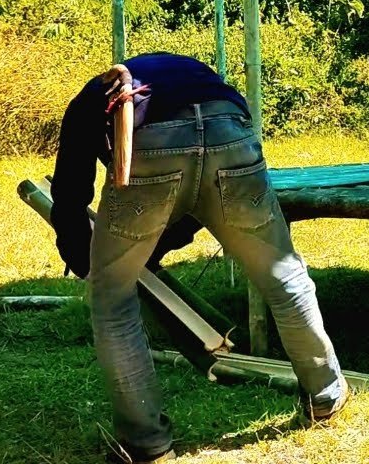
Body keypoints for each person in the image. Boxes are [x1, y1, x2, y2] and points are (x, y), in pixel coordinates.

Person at [50, 52, 347, 463]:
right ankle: (326, 395)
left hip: (151, 140)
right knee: (285, 278)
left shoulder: (89, 100)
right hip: (230, 131)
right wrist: (154, 248)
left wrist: (88, 263)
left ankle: (146, 444)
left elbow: (69, 193)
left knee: (112, 301)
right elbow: (194, 205)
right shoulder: (192, 76)